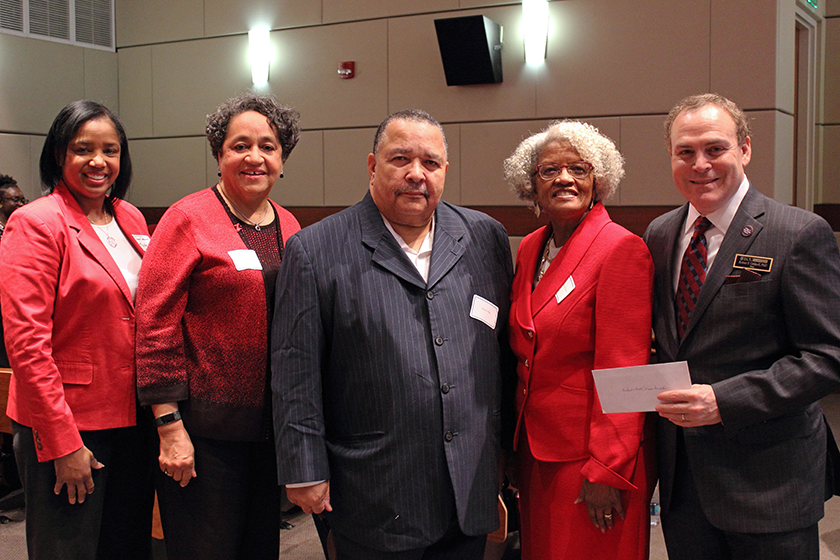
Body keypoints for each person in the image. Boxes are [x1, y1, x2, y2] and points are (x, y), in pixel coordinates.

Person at [271, 109, 513, 559]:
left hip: (470, 481)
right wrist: (304, 467)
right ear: (372, 166)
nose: (416, 174)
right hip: (374, 489)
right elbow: (294, 369)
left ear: (445, 170)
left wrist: (507, 454)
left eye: (431, 163)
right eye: (400, 158)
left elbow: (502, 354)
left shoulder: (485, 237)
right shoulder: (315, 249)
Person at [645, 93, 840, 560]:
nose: (700, 164)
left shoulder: (797, 233)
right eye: (685, 152)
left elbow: (828, 356)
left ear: (745, 149)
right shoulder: (659, 234)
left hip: (770, 483)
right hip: (685, 485)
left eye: (715, 149)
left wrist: (724, 400)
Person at [135, 92, 301, 560]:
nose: (254, 157)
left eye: (267, 146)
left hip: (269, 429)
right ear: (219, 154)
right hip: (201, 432)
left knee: (259, 548)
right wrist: (169, 426)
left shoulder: (289, 224)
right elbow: (154, 324)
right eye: (240, 145)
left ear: (282, 158)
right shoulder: (188, 218)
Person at [0, 100, 154, 559]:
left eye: (110, 150)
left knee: (125, 546)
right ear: (58, 155)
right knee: (68, 549)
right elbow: (27, 344)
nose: (98, 162)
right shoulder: (35, 222)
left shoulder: (128, 217)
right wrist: (64, 443)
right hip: (71, 423)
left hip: (132, 417)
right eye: (83, 149)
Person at [503, 121, 655, 559]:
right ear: (531, 185)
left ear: (598, 179)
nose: (564, 179)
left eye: (578, 168)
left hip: (592, 458)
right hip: (536, 451)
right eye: (549, 170)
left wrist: (608, 469)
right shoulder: (531, 246)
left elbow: (624, 368)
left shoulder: (620, 249)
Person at [0, 174, 27, 243]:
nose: (21, 204)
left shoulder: (22, 227)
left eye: (23, 201)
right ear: (1, 201)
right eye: (15, 199)